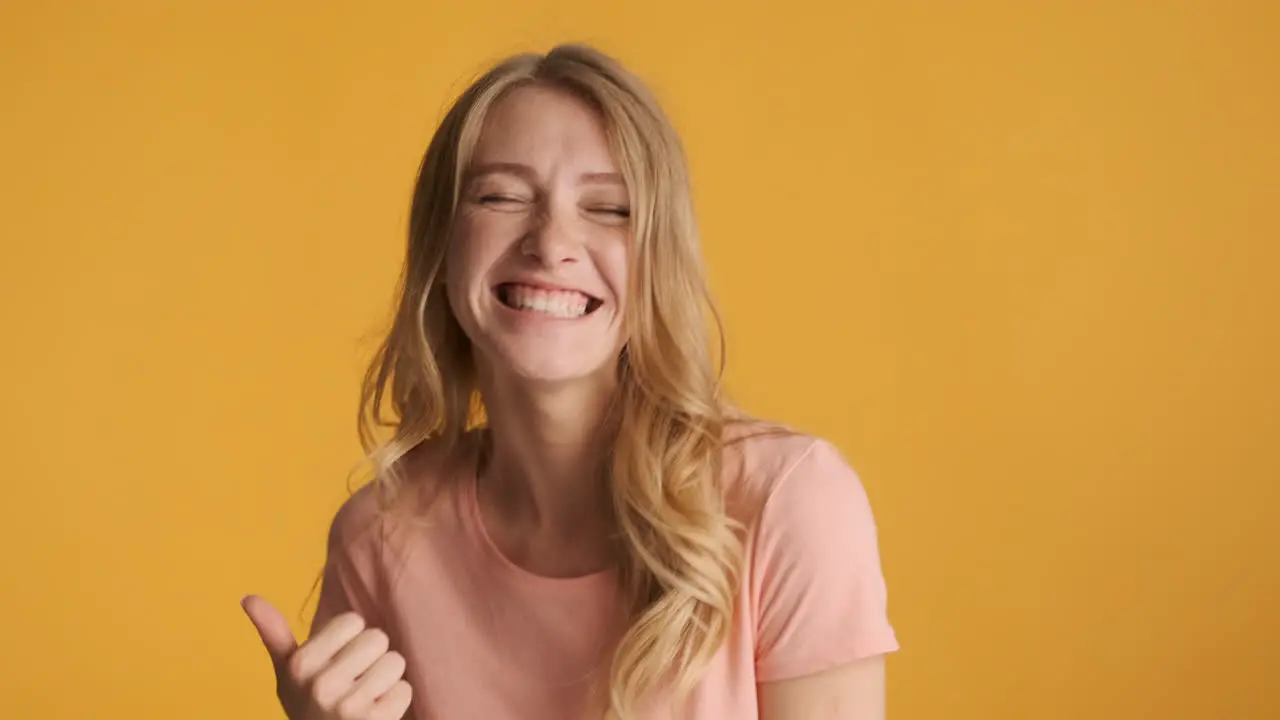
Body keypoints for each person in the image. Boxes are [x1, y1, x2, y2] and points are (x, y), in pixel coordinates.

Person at [241, 43, 898, 720]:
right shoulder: (381, 537)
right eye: (501, 195)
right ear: (441, 246)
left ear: (658, 260)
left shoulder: (788, 503)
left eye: (610, 208)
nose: (551, 242)